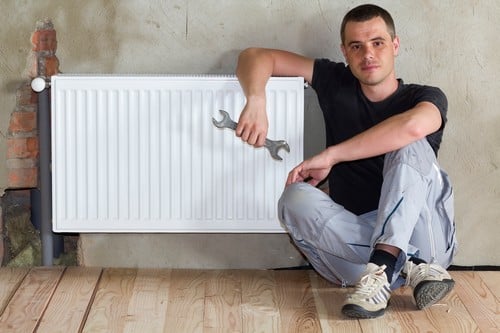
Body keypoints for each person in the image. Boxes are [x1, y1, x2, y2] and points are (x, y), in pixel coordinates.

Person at [235, 3, 457, 319]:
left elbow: (411, 126)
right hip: (361, 253)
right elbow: (255, 56)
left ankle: (388, 264)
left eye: (378, 43)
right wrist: (256, 99)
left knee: (409, 144)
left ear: (395, 45)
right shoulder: (334, 82)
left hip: (425, 233)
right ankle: (404, 266)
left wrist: (332, 155)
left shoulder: (425, 97)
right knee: (294, 198)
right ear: (345, 51)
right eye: (357, 46)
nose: (368, 54)